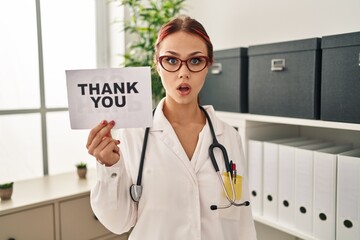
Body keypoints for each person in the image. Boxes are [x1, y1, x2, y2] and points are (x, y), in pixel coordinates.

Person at [87, 15, 257, 240]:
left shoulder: (229, 137)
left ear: (208, 65)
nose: (183, 72)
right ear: (157, 64)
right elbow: (118, 223)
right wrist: (109, 166)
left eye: (195, 61)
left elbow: (241, 222)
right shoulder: (133, 135)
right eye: (171, 60)